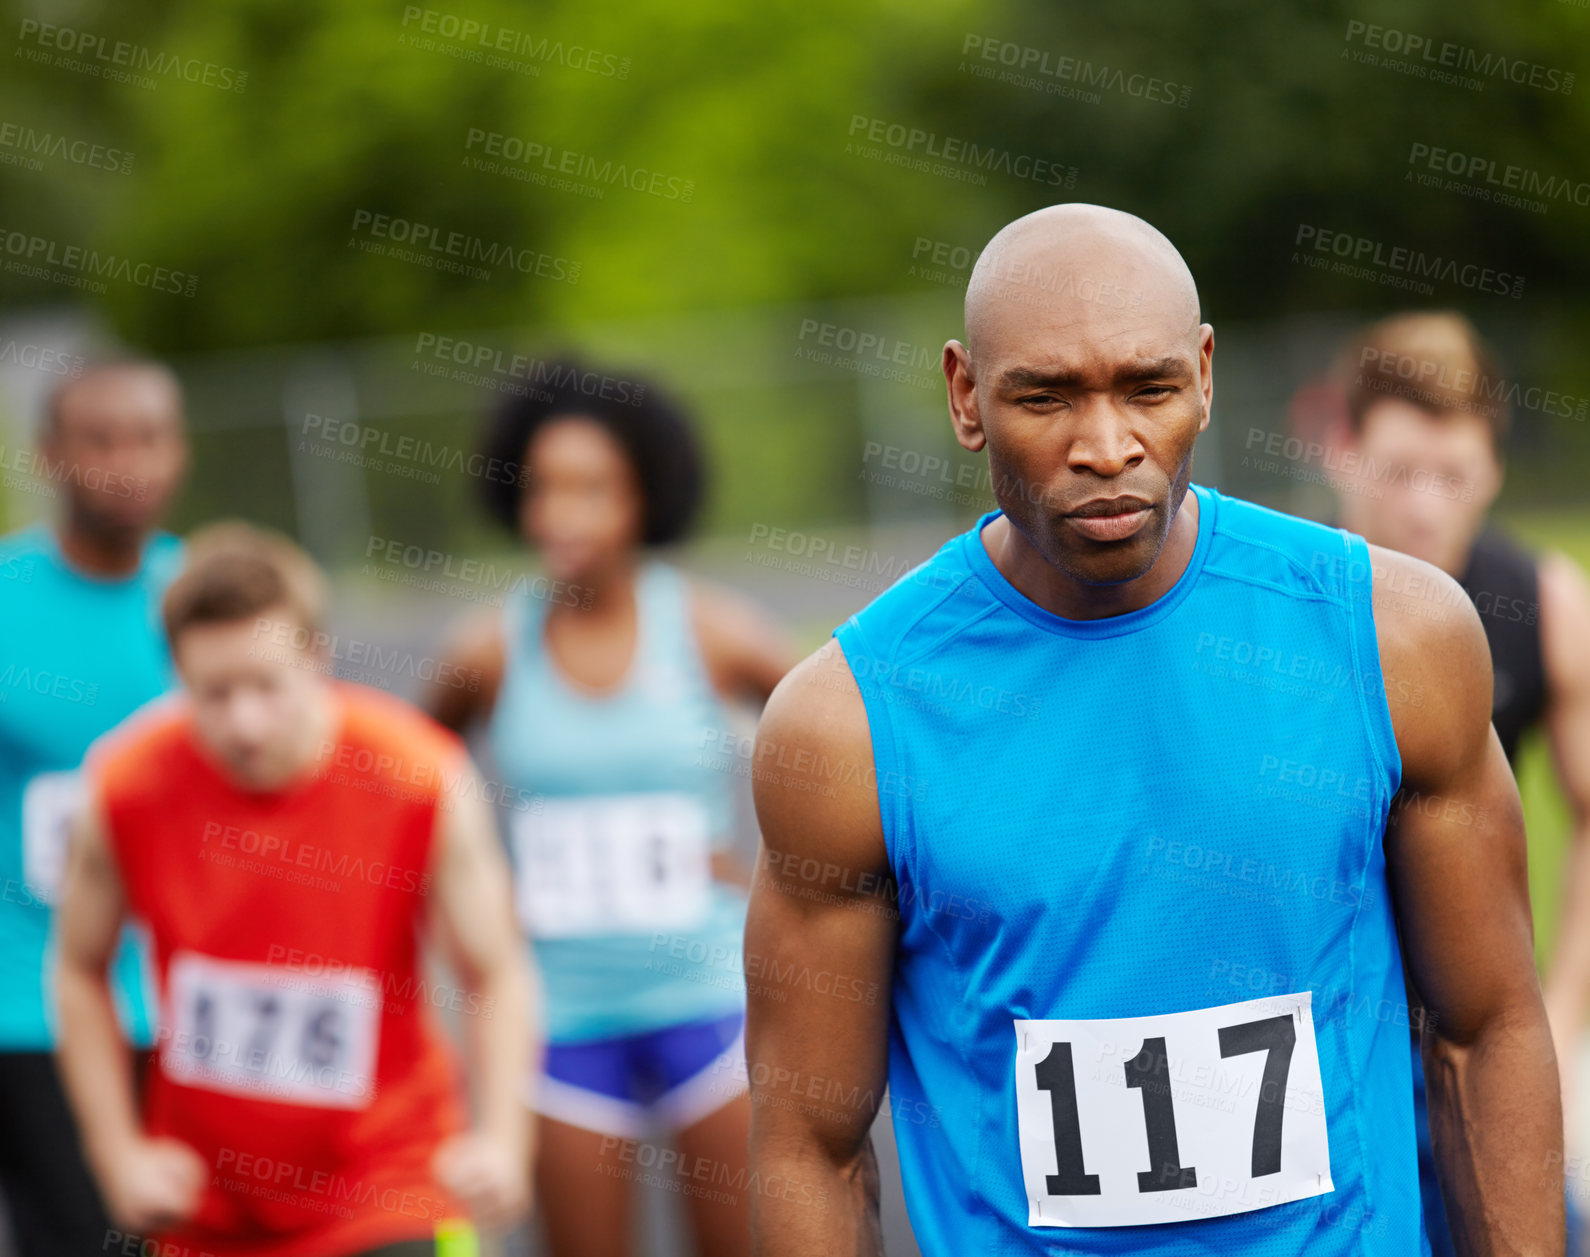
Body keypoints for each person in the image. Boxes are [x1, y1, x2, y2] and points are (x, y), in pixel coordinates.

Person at [744, 204, 1563, 1253]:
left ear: (1207, 375)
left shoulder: (1395, 640)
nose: (1107, 445)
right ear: (965, 395)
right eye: (1044, 396)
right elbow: (810, 1143)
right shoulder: (851, 723)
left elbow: (1485, 1027)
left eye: (1151, 388)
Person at [55, 523, 535, 1256]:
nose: (244, 723)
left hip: (387, 1186)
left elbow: (496, 966)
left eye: (267, 685)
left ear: (318, 655)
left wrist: (502, 1136)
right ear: (176, 671)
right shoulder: (125, 784)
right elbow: (76, 967)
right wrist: (116, 1151)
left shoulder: (417, 774)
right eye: (213, 693)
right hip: (205, 1207)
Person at [425, 364, 796, 1257]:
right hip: (560, 1018)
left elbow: (848, 744)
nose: (561, 512)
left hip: (707, 1002)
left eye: (593, 488)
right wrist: (478, 894)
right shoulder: (487, 650)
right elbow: (410, 778)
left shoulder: (713, 632)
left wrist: (778, 881)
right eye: (545, 487)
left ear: (646, 496)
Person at [1312, 311, 1590, 1254]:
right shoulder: (1275, 605)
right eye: (1399, 472)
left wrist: (1561, 1014)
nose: (1426, 506)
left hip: (1480, 1027)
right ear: (1341, 452)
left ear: (1495, 473)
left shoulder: (1545, 603)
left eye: (1454, 477)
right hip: (1329, 1053)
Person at [0, 361, 187, 1254]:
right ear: (51, 457)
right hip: (30, 1006)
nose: (128, 462)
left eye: (148, 436)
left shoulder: (210, 603)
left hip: (195, 1006)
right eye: (100, 439)